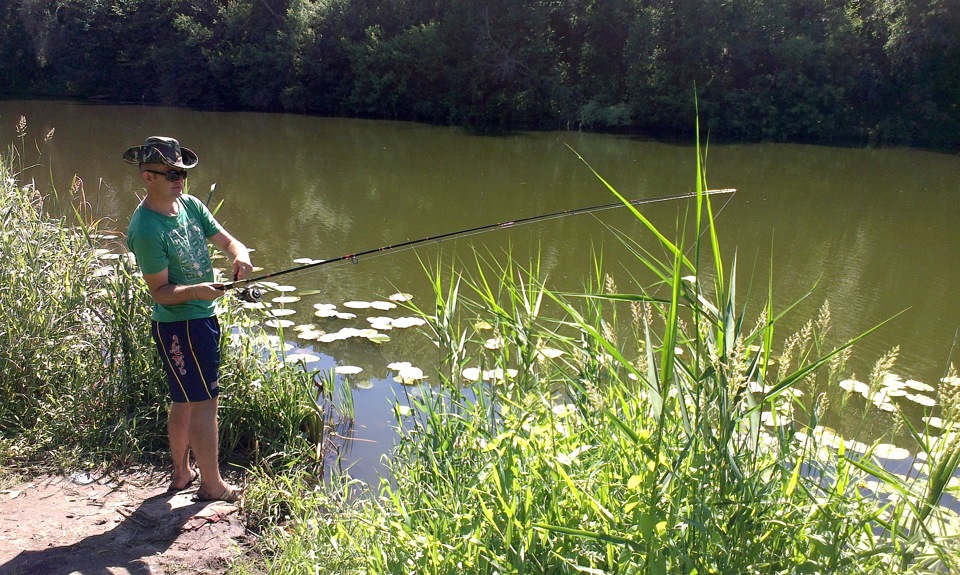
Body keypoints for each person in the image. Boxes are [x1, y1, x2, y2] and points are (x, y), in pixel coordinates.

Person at [123, 136, 252, 503]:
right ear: (149, 177)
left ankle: (182, 474)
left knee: (183, 401)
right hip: (180, 325)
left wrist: (240, 255)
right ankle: (211, 485)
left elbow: (228, 241)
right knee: (205, 401)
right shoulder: (145, 228)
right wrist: (197, 291)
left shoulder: (190, 206)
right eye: (171, 173)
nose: (179, 179)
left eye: (183, 172)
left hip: (201, 318)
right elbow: (160, 292)